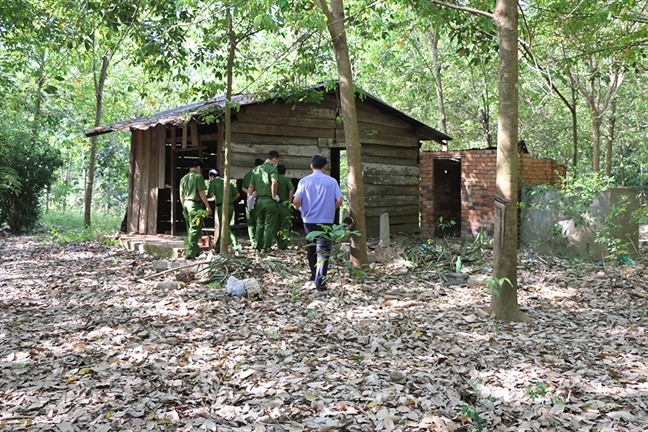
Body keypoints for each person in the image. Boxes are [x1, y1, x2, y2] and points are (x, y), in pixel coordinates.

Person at [293, 154, 343, 290]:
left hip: (308, 220)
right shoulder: (332, 181)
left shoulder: (304, 181)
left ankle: (313, 274)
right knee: (324, 249)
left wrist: (298, 208)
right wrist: (330, 208)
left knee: (311, 247)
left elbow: (296, 201)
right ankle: (320, 282)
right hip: (326, 220)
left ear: (311, 166)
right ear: (325, 167)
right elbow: (339, 200)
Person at [247, 150, 280, 252]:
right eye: (276, 161)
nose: (276, 163)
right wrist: (274, 195)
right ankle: (266, 246)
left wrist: (249, 199)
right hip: (269, 201)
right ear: (274, 159)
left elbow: (251, 186)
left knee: (259, 224)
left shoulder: (256, 170)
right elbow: (274, 182)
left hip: (259, 201)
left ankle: (257, 247)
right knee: (269, 225)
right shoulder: (272, 170)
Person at [179, 160, 212, 260]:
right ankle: (189, 254)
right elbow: (201, 192)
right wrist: (208, 206)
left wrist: (183, 207)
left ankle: (196, 250)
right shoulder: (198, 177)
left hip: (186, 204)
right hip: (194, 204)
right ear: (198, 167)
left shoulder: (183, 178)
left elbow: (181, 195)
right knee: (195, 229)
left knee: (190, 229)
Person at [206, 169, 240, 253]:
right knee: (223, 227)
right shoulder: (227, 182)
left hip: (223, 207)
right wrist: (230, 200)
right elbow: (237, 194)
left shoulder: (213, 182)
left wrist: (204, 198)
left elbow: (211, 194)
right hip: (231, 206)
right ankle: (218, 247)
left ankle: (237, 246)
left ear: (211, 176)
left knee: (226, 228)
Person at [241, 158, 264, 249]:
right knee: (259, 221)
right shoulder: (263, 175)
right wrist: (256, 193)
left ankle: (253, 241)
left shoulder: (248, 175)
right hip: (259, 200)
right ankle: (259, 242)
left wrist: (249, 194)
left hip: (249, 200)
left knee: (250, 223)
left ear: (253, 166)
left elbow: (243, 187)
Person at [274, 165, 294, 249]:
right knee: (285, 225)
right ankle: (283, 245)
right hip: (284, 204)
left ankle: (278, 242)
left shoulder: (274, 179)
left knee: (276, 225)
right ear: (284, 172)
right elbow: (291, 189)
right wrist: (289, 200)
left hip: (274, 204)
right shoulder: (286, 179)